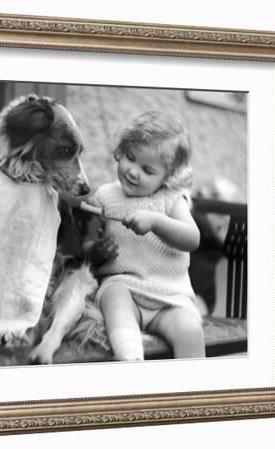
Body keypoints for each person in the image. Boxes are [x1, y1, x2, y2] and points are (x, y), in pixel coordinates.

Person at [82, 111, 205, 361]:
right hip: (124, 289)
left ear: (168, 176)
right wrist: (96, 251)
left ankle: (194, 392)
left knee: (191, 330)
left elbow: (192, 238)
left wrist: (157, 222)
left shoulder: (171, 200)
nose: (133, 172)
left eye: (148, 170)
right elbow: (85, 247)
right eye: (130, 157)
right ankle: (130, 359)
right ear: (121, 150)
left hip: (168, 299)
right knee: (114, 295)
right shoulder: (105, 196)